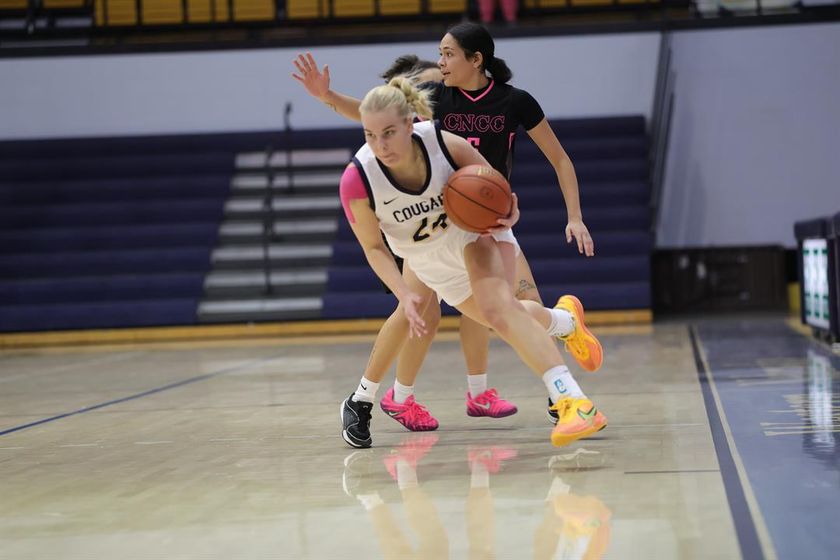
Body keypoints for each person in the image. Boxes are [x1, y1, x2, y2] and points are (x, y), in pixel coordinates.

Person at [292, 22, 599, 432]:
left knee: (501, 310)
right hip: (428, 225)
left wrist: (518, 205)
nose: (440, 62)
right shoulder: (433, 106)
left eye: (448, 54)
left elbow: (551, 161)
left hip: (479, 218)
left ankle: (559, 395)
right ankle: (560, 327)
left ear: (477, 59)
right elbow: (376, 114)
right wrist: (326, 96)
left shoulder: (509, 104)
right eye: (439, 53)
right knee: (430, 312)